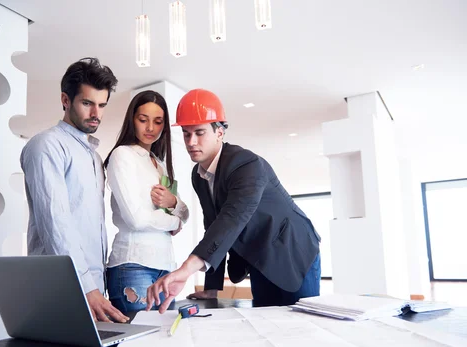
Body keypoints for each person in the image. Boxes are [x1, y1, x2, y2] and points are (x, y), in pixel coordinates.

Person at [147, 88, 321, 312]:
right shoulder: (198, 176)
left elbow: (232, 218)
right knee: (266, 325)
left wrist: (186, 269)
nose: (191, 141)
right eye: (186, 133)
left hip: (293, 251)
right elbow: (213, 225)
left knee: (301, 328)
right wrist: (212, 287)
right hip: (259, 258)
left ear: (219, 133)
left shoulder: (246, 165)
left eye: (199, 133)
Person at [20, 57, 128, 323]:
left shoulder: (93, 155)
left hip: (93, 285)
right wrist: (86, 287)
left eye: (102, 105)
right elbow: (55, 223)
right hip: (62, 286)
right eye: (87, 103)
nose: (96, 114)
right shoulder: (46, 145)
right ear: (65, 100)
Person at [104, 90, 189, 313]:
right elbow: (137, 220)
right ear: (132, 120)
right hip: (133, 264)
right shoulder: (122, 155)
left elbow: (186, 212)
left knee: (163, 343)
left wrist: (173, 203)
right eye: (143, 120)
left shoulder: (159, 163)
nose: (150, 128)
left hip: (166, 267)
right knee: (139, 345)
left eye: (158, 122)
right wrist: (176, 222)